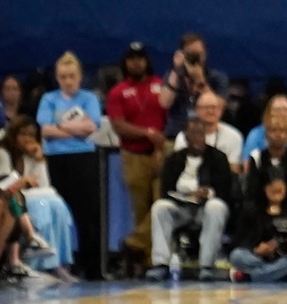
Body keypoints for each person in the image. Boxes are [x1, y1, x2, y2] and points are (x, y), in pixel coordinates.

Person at [35, 51, 102, 280]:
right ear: (57, 77)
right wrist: (74, 128)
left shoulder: (88, 99)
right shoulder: (49, 99)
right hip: (56, 160)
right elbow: (45, 130)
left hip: (83, 159)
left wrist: (59, 127)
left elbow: (91, 127)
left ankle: (91, 267)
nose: (68, 81)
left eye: (72, 76)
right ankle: (57, 263)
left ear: (80, 76)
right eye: (63, 77)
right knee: (56, 211)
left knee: (86, 214)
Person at [146, 118, 235, 282]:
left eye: (200, 134)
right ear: (185, 137)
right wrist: (184, 197)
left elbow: (226, 192)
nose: (197, 138)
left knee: (216, 207)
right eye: (192, 134)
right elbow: (165, 190)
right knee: (160, 207)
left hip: (206, 209)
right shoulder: (174, 159)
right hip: (182, 209)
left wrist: (208, 193)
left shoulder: (218, 158)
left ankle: (206, 265)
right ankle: (160, 263)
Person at [105, 41, 167, 262]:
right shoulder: (118, 92)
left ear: (147, 61)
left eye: (140, 58)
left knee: (163, 204)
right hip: (133, 155)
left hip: (160, 152)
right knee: (140, 209)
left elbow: (170, 117)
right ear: (125, 62)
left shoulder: (161, 85)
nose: (136, 62)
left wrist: (159, 143)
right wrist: (146, 133)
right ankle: (150, 262)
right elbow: (118, 125)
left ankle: (134, 242)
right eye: (132, 59)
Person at [0, 116, 78, 281]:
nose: (27, 139)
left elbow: (43, 185)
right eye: (23, 134)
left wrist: (39, 160)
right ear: (14, 135)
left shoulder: (32, 153)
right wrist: (23, 182)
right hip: (14, 195)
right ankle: (42, 262)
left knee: (58, 205)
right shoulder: (4, 152)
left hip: (30, 194)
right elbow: (5, 184)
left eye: (31, 135)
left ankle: (60, 263)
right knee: (41, 205)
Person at [228, 172, 287, 283]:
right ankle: (282, 274)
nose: (276, 189)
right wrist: (256, 249)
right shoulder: (251, 210)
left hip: (285, 257)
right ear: (264, 189)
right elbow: (240, 238)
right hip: (257, 257)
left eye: (280, 187)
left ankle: (250, 276)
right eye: (272, 186)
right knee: (237, 255)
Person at [159, 32, 229, 143]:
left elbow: (218, 107)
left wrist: (200, 80)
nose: (196, 58)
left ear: (205, 54)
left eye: (199, 54)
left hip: (207, 136)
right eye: (191, 54)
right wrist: (176, 70)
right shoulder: (173, 76)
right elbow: (164, 103)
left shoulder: (217, 78)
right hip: (176, 135)